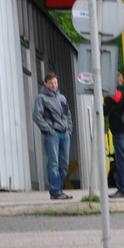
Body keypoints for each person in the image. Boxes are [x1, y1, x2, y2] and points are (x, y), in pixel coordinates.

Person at [31, 71, 73, 200]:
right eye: (51, 83)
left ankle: (59, 189)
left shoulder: (62, 98)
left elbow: (67, 115)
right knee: (54, 163)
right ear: (46, 83)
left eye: (55, 82)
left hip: (64, 134)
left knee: (64, 164)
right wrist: (49, 130)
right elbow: (37, 117)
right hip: (52, 135)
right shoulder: (41, 98)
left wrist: (69, 130)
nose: (54, 85)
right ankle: (55, 191)